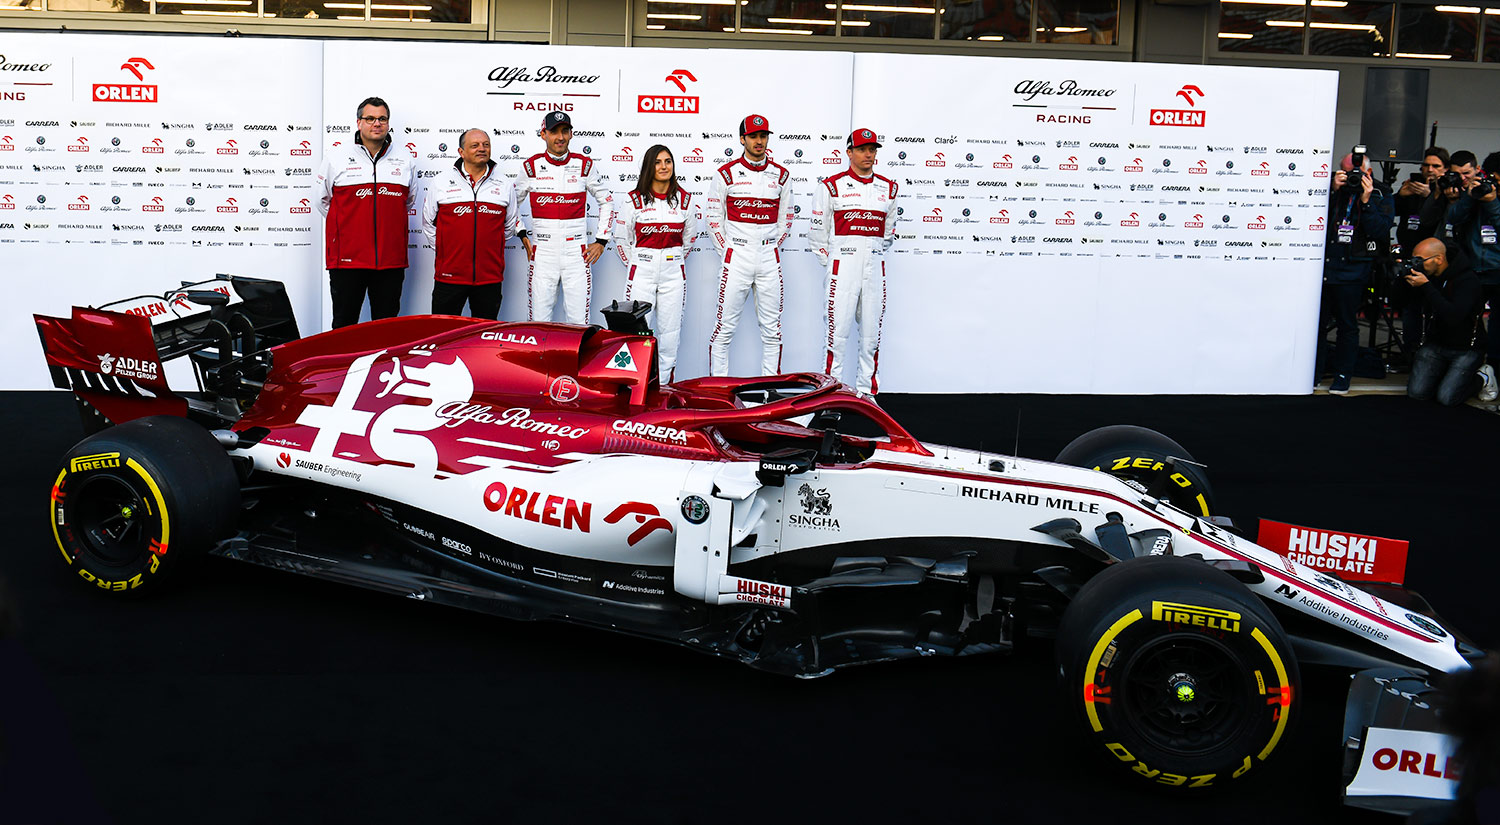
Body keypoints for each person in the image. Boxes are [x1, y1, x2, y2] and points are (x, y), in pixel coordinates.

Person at [809, 128, 898, 396]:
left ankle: (867, 394)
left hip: (874, 268)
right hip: (842, 269)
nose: (868, 154)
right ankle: (830, 394)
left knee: (871, 337)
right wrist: (837, 261)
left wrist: (868, 254)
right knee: (836, 336)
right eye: (862, 149)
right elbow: (817, 235)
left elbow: (888, 233)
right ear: (849, 152)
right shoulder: (831, 186)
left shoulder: (889, 188)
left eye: (872, 149)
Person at [316, 96, 416, 329]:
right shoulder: (336, 158)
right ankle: (341, 366)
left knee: (386, 326)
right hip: (347, 260)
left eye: (382, 118)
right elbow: (323, 201)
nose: (376, 123)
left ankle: (382, 366)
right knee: (344, 324)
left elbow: (408, 202)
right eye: (370, 118)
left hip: (390, 260)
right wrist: (350, 228)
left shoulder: (404, 159)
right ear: (359, 122)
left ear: (388, 123)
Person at [705, 114, 793, 377]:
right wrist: (731, 249)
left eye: (763, 136)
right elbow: (713, 218)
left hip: (768, 257)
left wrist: (768, 246)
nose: (759, 141)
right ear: (742, 139)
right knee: (724, 328)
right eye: (753, 136)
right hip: (737, 257)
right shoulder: (726, 173)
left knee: (772, 329)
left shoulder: (782, 175)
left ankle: (769, 390)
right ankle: (718, 393)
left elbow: (786, 219)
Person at [514, 111, 614, 325]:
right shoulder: (530, 167)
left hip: (576, 255)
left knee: (578, 323)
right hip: (542, 255)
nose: (560, 137)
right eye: (554, 132)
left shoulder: (584, 165)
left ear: (570, 134)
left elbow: (607, 201)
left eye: (565, 131)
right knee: (538, 323)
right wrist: (521, 233)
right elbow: (511, 204)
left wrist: (601, 240)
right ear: (543, 134)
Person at [613, 145, 700, 383]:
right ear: (649, 166)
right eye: (658, 162)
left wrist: (671, 260)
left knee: (670, 335)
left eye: (668, 161)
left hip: (674, 275)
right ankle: (634, 388)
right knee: (635, 333)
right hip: (641, 274)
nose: (664, 167)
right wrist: (638, 264)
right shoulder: (634, 200)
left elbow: (689, 239)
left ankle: (663, 389)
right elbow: (622, 238)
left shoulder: (685, 201)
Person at [420, 128, 518, 320]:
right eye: (474, 145)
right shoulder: (441, 182)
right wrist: (447, 250)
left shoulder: (504, 184)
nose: (481, 149)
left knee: (483, 335)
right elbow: (428, 223)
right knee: (442, 334)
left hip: (489, 278)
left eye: (486, 145)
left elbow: (509, 225)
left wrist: (489, 247)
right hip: (449, 276)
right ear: (461, 152)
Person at [1320, 153, 1392, 395]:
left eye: (1355, 172)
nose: (1351, 177)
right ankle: (1315, 371)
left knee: (1347, 326)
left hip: (1353, 270)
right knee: (1317, 325)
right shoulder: (1331, 190)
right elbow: (1314, 221)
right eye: (1345, 171)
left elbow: (1380, 231)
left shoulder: (1381, 193)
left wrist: (1367, 200)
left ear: (1368, 174)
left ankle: (1342, 375)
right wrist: (1330, 191)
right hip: (1325, 267)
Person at [1394, 238, 1488, 406]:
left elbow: (1453, 316)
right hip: (1436, 343)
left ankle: (1483, 378)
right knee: (1417, 393)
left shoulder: (1467, 280)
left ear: (1438, 259)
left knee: (1446, 398)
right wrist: (1403, 280)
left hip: (1466, 348)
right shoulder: (1428, 276)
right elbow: (1399, 304)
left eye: (1420, 260)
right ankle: (1447, 375)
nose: (1417, 264)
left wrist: (1426, 286)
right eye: (1414, 260)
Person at [1443, 149, 1500, 400]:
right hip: (1472, 269)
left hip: (1498, 270)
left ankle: (1494, 369)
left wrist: (1493, 202)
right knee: (1466, 322)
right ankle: (1472, 370)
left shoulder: (1493, 196)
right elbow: (1453, 218)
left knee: (1498, 325)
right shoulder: (1473, 191)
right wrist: (1469, 197)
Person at [1392, 147, 1451, 360]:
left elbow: (1444, 220)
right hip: (1409, 255)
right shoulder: (1411, 189)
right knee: (1410, 307)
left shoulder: (1447, 192)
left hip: (1435, 261)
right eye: (1426, 165)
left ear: (1445, 169)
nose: (1430, 170)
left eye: (1436, 166)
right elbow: (1390, 212)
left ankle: (1433, 353)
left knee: (1433, 306)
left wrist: (1431, 198)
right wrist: (1400, 195)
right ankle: (1411, 352)